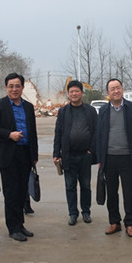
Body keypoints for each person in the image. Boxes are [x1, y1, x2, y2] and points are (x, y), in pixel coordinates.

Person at [0, 73, 39, 242]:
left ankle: (20, 224)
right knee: (11, 193)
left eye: (17, 86)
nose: (14, 89)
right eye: (11, 86)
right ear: (6, 87)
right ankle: (13, 228)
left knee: (22, 192)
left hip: (25, 154)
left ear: (22, 88)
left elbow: (33, 132)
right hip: (7, 155)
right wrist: (9, 134)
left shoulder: (28, 107)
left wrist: (34, 155)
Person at [96, 78, 132, 238]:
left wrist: (128, 141)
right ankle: (114, 222)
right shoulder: (103, 110)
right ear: (108, 93)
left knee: (129, 192)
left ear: (122, 89)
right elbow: (99, 134)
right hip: (109, 158)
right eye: (112, 89)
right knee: (111, 192)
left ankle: (130, 223)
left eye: (118, 87)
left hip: (127, 157)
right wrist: (100, 158)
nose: (116, 91)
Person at [53, 80, 98, 225]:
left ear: (82, 93)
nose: (74, 94)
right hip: (68, 155)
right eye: (71, 91)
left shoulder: (90, 111)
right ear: (68, 94)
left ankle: (86, 212)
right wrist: (56, 153)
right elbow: (58, 133)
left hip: (85, 155)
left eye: (77, 91)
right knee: (70, 186)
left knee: (86, 186)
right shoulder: (63, 112)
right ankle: (73, 213)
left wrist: (92, 150)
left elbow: (96, 132)